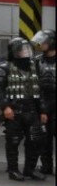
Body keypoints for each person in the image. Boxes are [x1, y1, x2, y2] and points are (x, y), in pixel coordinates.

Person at [0, 37, 45, 181]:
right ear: (14, 52)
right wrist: (5, 107)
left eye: (27, 49)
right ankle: (13, 170)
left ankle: (30, 169)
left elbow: (38, 91)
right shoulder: (4, 67)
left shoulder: (35, 67)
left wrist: (42, 111)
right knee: (13, 141)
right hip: (14, 110)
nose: (25, 52)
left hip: (32, 110)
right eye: (22, 50)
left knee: (35, 141)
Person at [31, 29, 55, 175]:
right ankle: (46, 166)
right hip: (43, 104)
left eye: (44, 42)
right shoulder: (37, 61)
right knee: (44, 138)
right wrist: (41, 109)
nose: (41, 45)